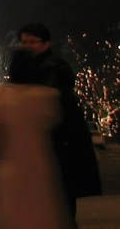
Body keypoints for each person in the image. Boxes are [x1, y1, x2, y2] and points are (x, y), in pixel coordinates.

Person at [0, 49, 70, 229]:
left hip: (9, 172)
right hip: (40, 169)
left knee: (14, 218)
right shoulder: (46, 96)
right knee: (44, 217)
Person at [18, 22, 101, 225]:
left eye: (32, 42)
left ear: (45, 44)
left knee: (61, 205)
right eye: (23, 42)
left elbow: (49, 104)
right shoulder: (32, 68)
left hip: (61, 145)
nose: (27, 46)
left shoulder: (54, 67)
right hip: (48, 146)